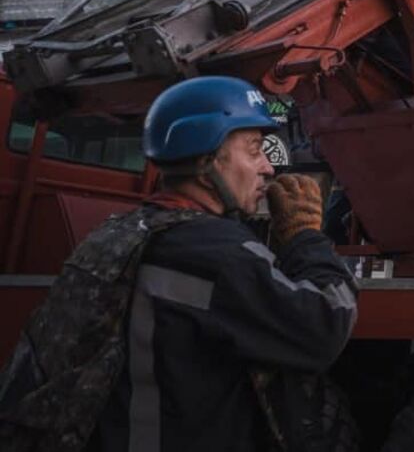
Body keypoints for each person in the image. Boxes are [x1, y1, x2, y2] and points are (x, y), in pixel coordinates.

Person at [0, 76, 358, 452]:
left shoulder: (115, 234)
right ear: (207, 159)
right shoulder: (217, 253)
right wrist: (304, 237)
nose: (268, 167)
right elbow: (325, 324)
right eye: (254, 150)